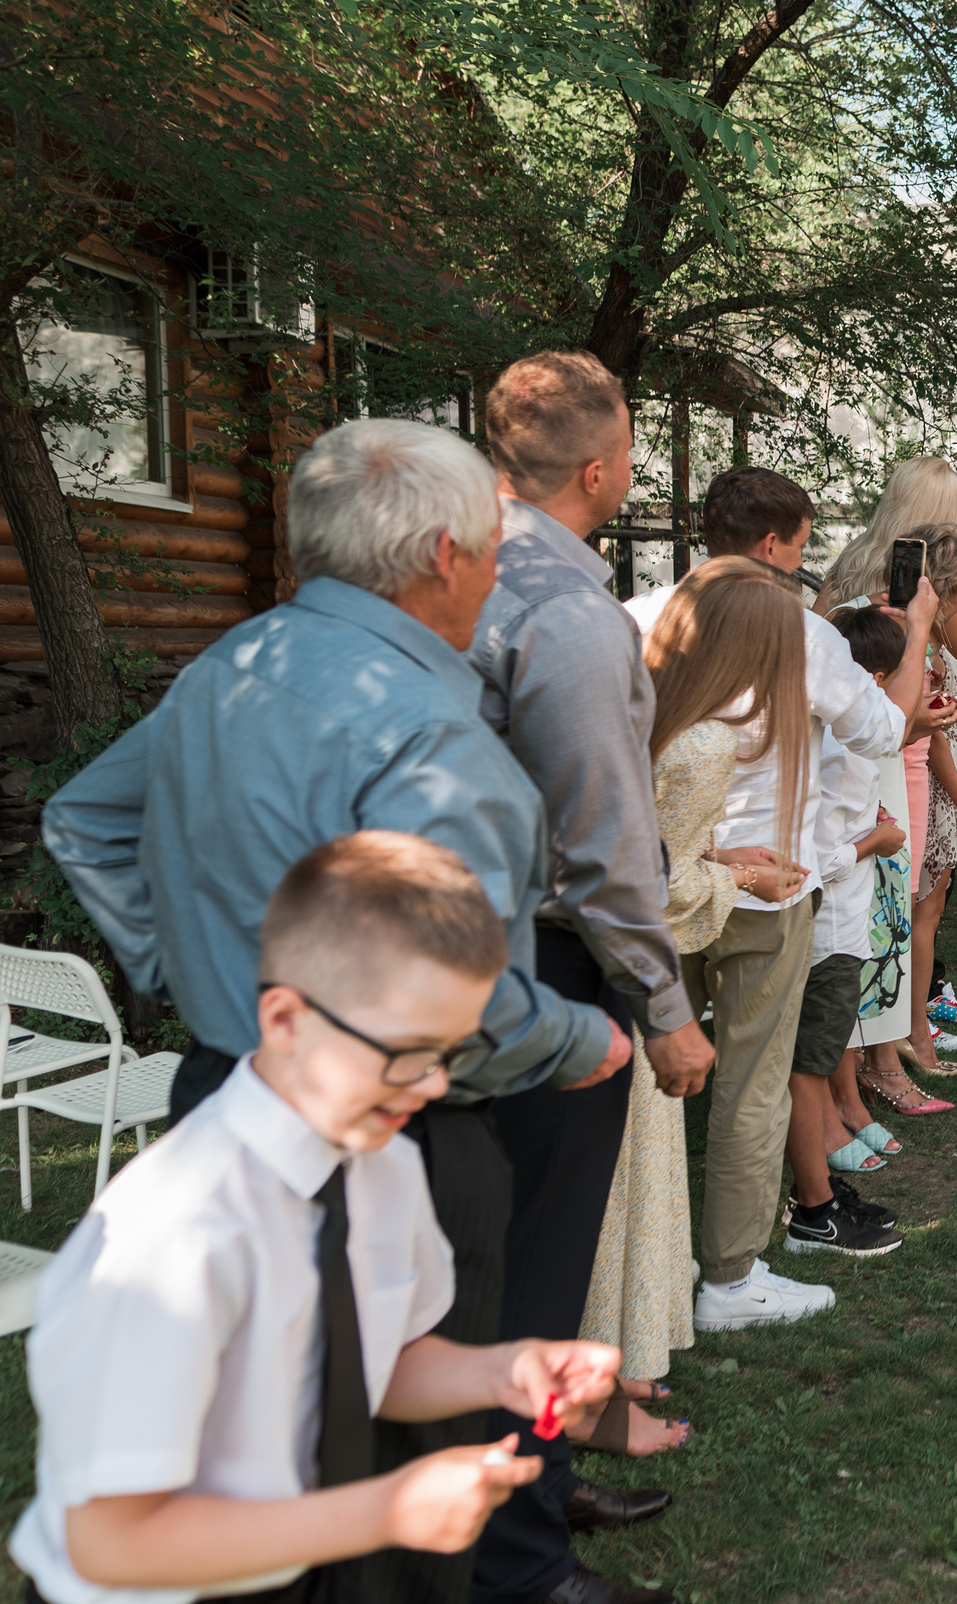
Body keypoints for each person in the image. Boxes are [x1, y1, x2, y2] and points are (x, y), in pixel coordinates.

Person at [39, 416, 629, 1604]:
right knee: (386, 1535)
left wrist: (187, 970)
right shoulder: (432, 740)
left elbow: (83, 818)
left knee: (296, 1427)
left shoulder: (231, 663)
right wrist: (583, 1037)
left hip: (233, 1078)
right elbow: (463, 1009)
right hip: (401, 1129)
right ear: (447, 557)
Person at [8, 833, 622, 1604]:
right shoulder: (173, 1238)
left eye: (450, 1052)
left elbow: (382, 1354)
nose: (432, 1085)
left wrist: (503, 1368)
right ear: (287, 1017)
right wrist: (386, 1509)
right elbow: (107, 1541)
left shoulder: (385, 1163)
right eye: (406, 1051)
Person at [469, 350, 716, 1604]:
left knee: (502, 1254)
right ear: (604, 468)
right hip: (552, 968)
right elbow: (602, 835)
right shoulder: (563, 609)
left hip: (473, 957)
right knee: (535, 1261)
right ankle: (519, 1564)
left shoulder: (457, 575)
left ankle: (540, 1470)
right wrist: (664, 1010)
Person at [624, 470, 932, 1300]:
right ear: (771, 544)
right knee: (752, 1085)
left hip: (657, 876)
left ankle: (641, 1260)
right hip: (772, 889)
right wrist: (924, 626)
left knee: (645, 1080)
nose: (801, 563)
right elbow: (884, 727)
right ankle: (728, 1276)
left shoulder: (634, 620)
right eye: (800, 545)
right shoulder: (799, 634)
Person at [574, 560, 800, 1456]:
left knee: (626, 1175)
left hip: (597, 968)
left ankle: (611, 1356)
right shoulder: (709, 740)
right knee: (628, 1174)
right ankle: (611, 1368)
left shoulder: (652, 708)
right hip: (633, 970)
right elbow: (649, 886)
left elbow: (652, 843)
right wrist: (737, 873)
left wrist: (717, 851)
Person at [819, 455, 957, 1033]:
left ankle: (879, 1024)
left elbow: (817, 636)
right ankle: (904, 1021)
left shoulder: (852, 563)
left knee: (864, 887)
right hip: (915, 738)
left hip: (845, 734)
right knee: (917, 890)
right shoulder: (931, 589)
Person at [816, 605, 926, 1147]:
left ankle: (849, 1106)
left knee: (843, 1008)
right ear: (877, 680)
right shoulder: (836, 746)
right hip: (829, 906)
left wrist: (871, 820)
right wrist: (872, 842)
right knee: (829, 1019)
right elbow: (819, 855)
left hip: (851, 904)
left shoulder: (847, 738)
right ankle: (840, 1114)